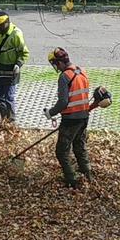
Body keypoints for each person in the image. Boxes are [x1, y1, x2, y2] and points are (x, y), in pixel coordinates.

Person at [43, 47, 93, 188]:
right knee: (79, 145)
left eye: (55, 64)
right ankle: (87, 172)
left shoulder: (65, 77)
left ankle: (72, 180)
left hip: (71, 119)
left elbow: (63, 102)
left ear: (58, 63)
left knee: (62, 151)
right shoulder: (82, 71)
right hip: (84, 116)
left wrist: (50, 113)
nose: (56, 68)